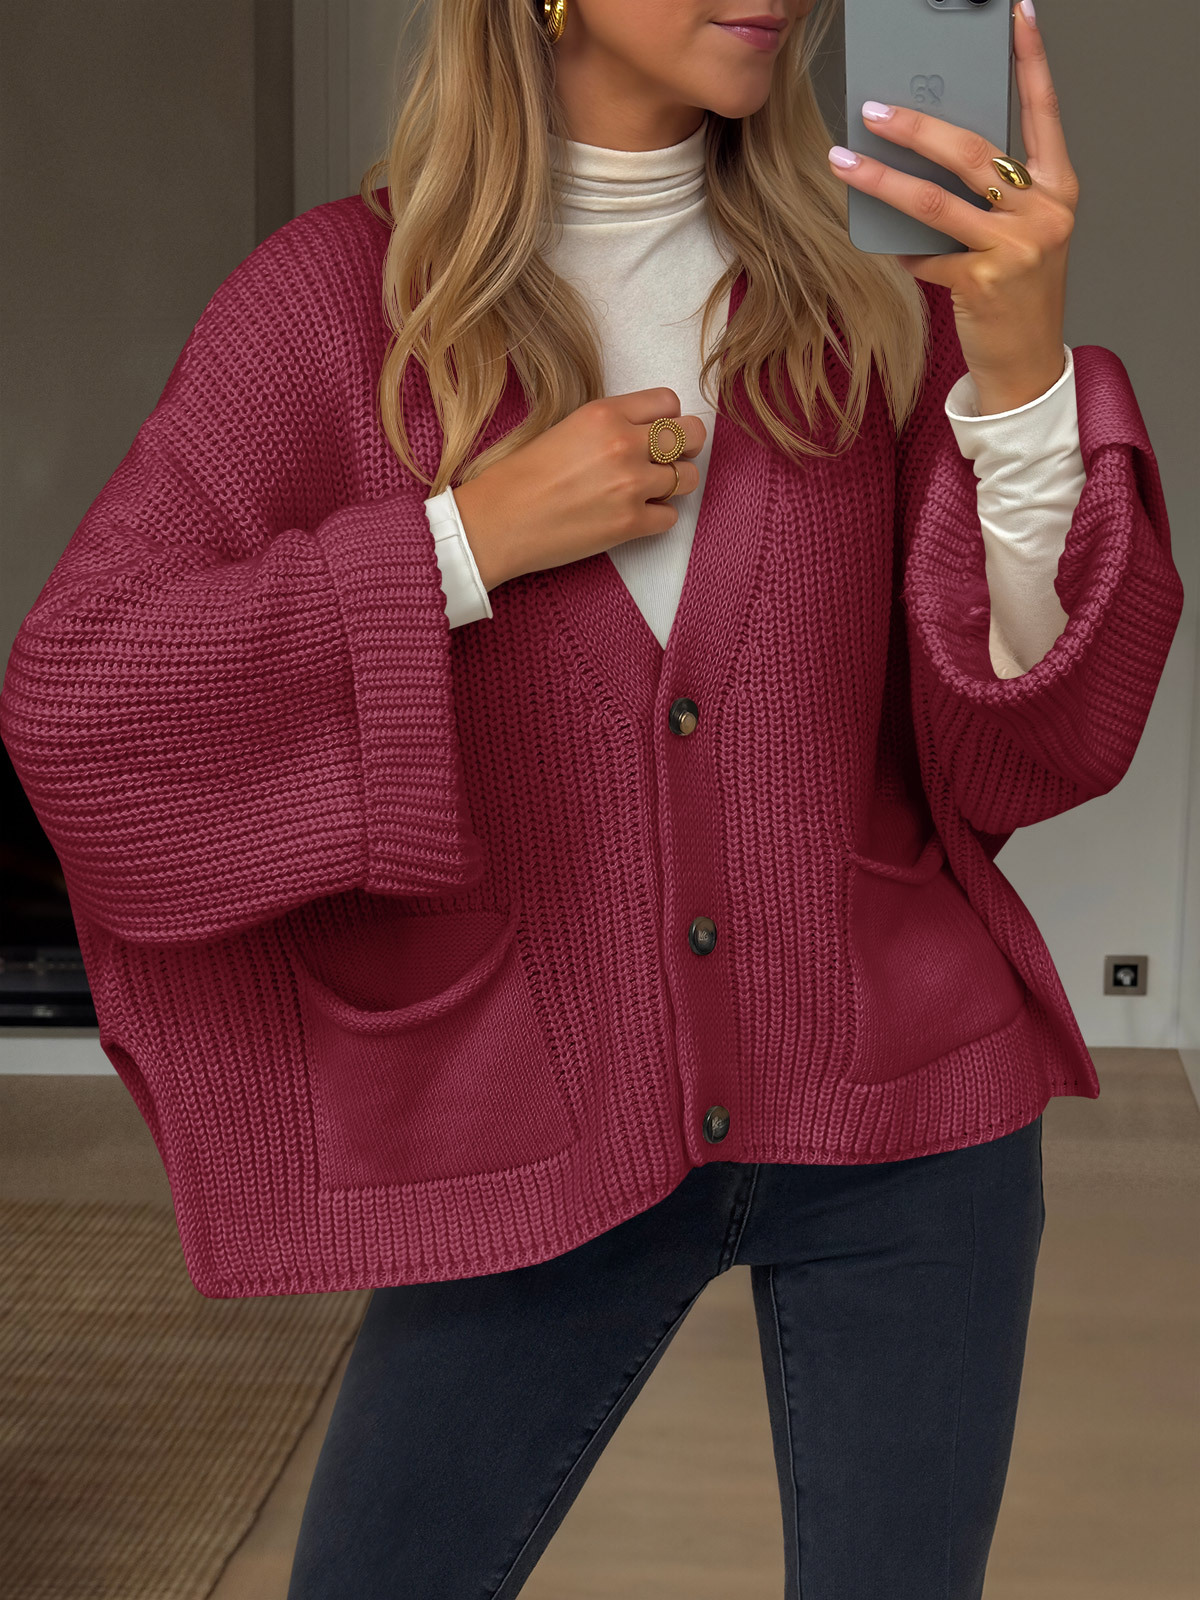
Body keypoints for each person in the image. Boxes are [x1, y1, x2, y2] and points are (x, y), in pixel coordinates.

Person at [0, 3, 1183, 1597]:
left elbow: (1031, 740)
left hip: (915, 1125)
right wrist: (461, 545)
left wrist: (1024, 377)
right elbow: (82, 697)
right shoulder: (332, 305)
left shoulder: (876, 297)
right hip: (538, 1122)